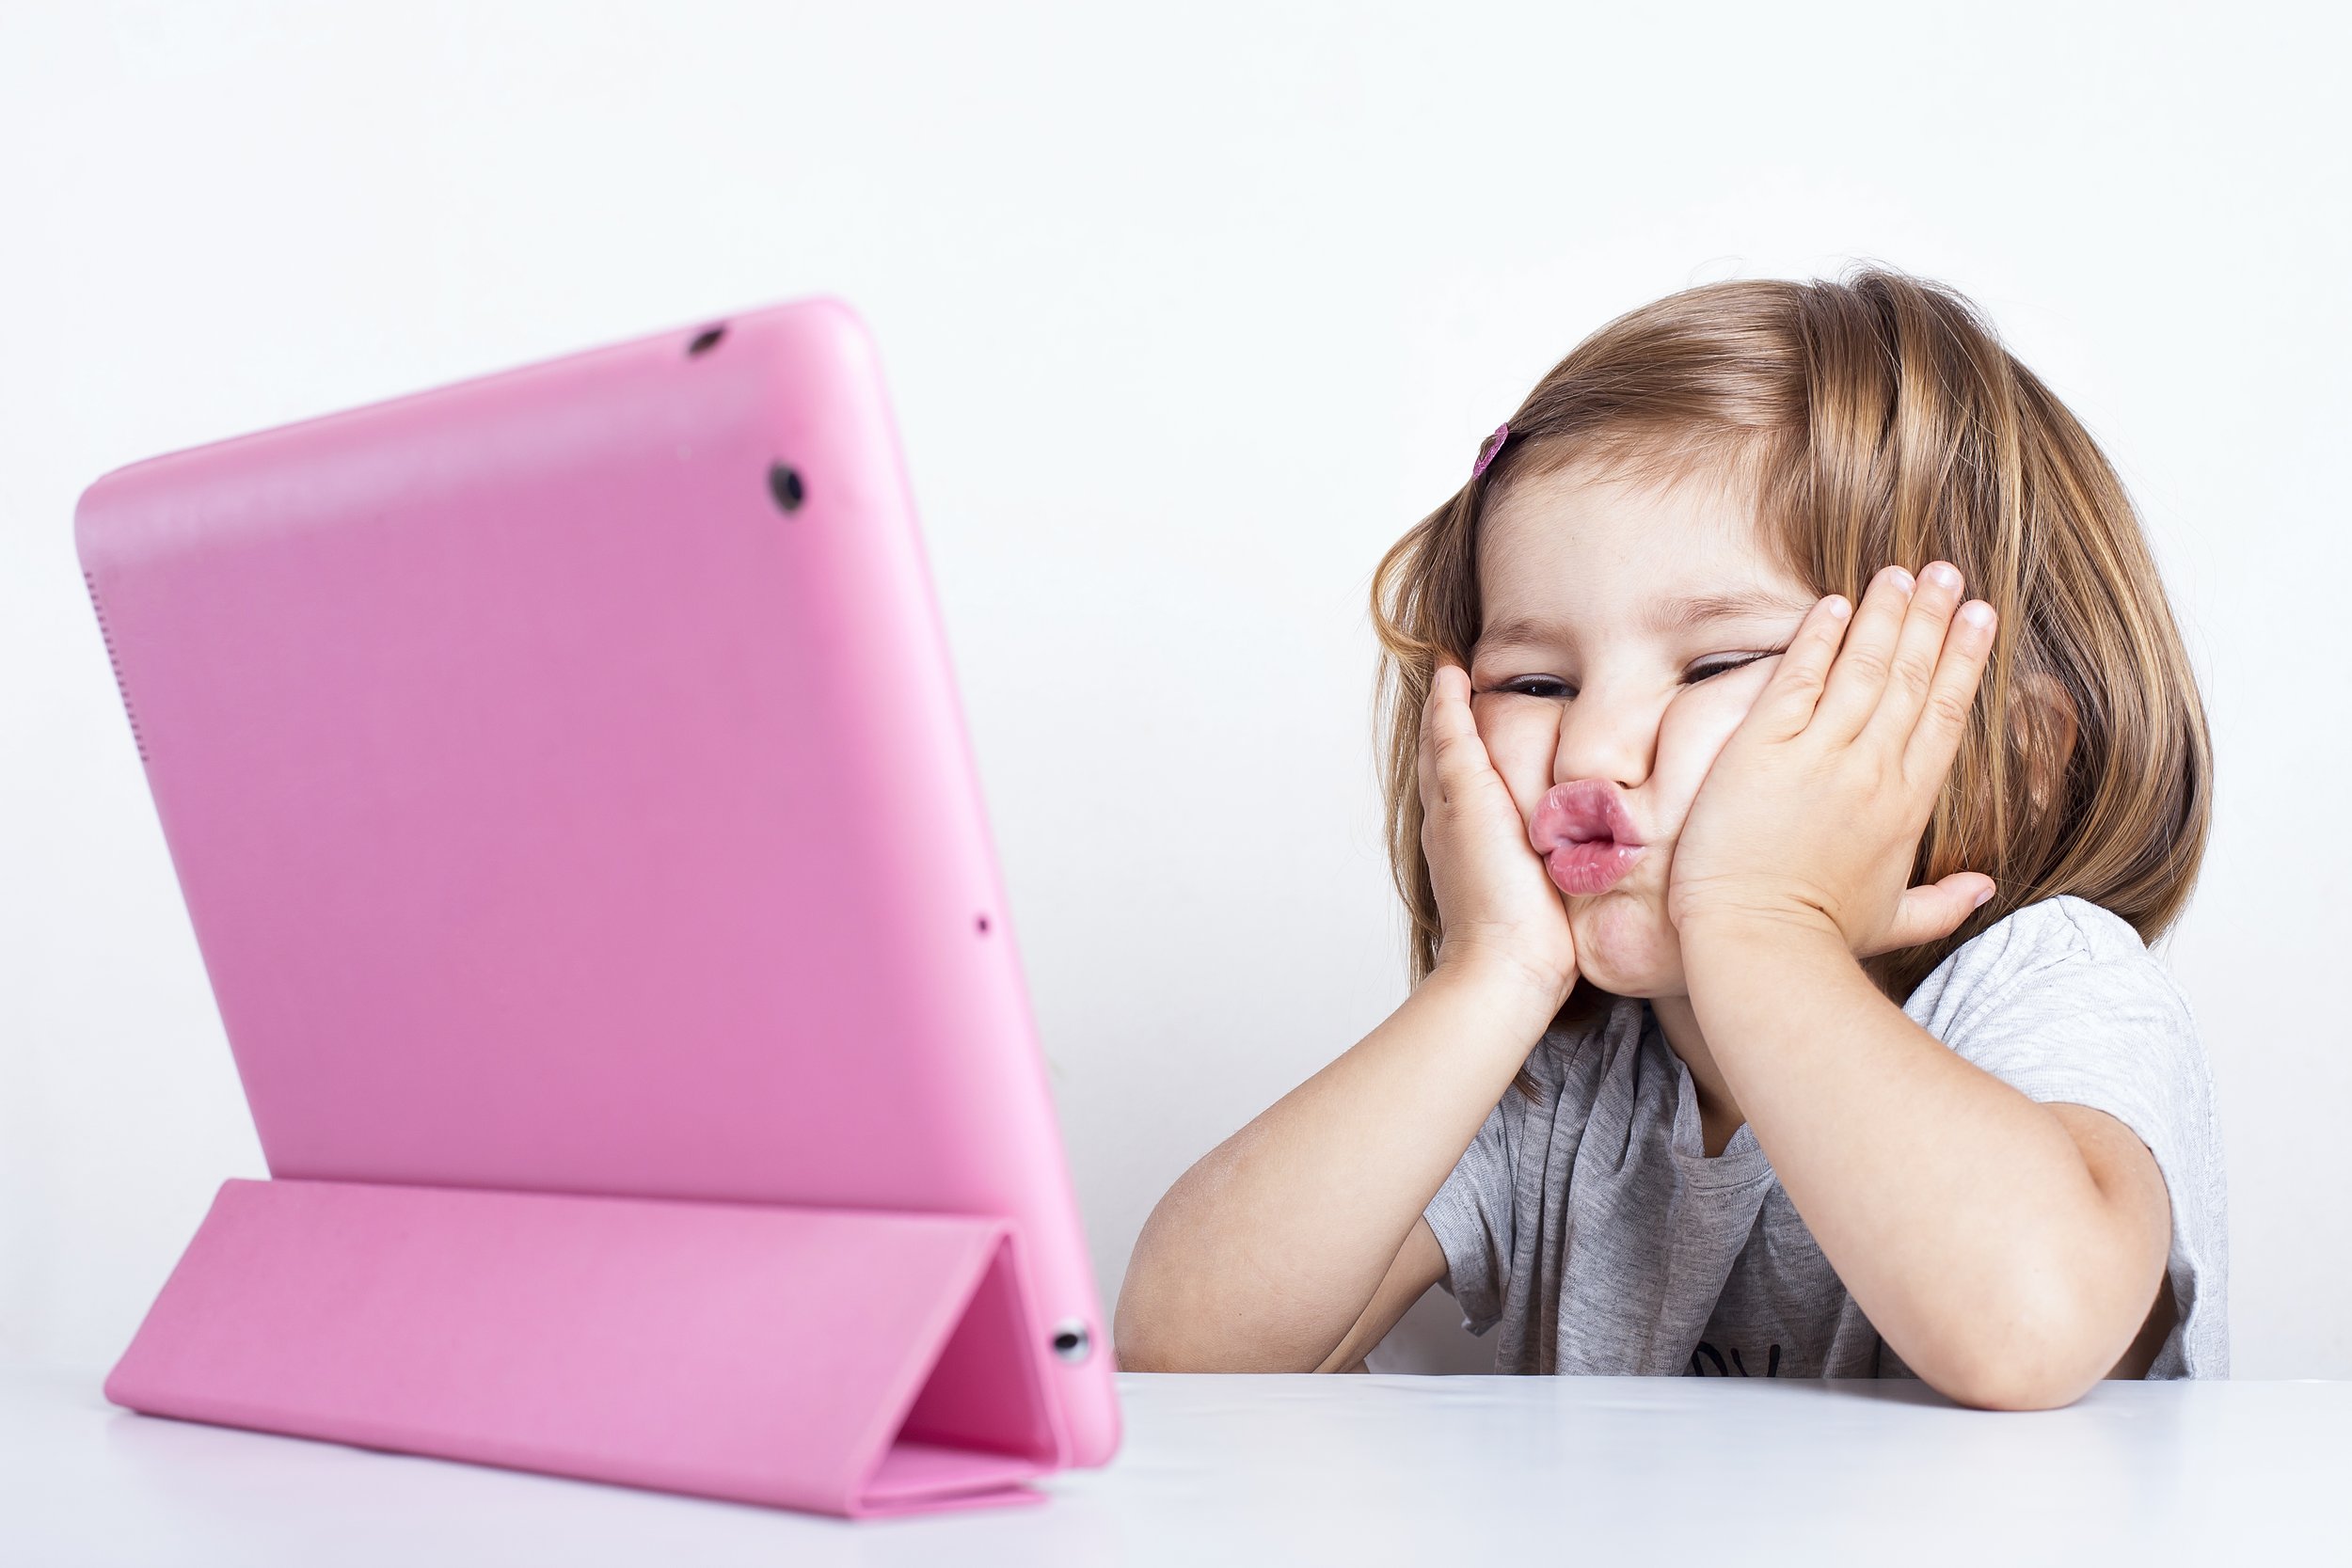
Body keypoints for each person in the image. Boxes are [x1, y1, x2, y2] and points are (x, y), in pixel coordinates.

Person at [1112, 267, 2224, 1408]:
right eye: (1535, 679)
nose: (1591, 747)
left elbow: (2029, 1326)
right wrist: (1493, 975)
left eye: (1713, 663)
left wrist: (1762, 921)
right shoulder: (1563, 1079)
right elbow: (1184, 1353)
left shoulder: (2042, 984)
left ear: (2019, 753)